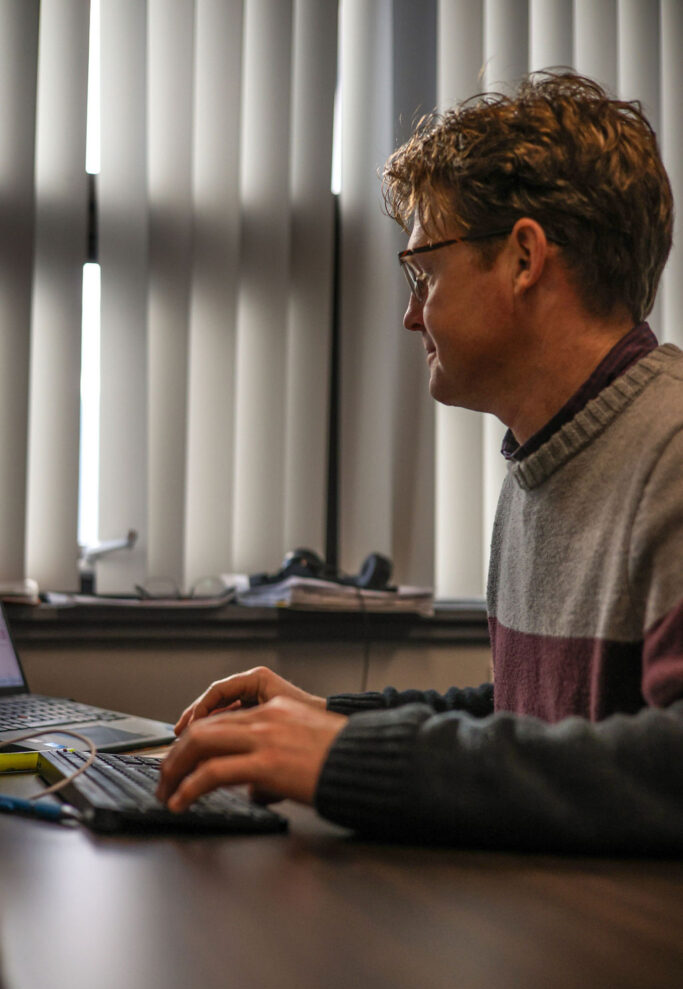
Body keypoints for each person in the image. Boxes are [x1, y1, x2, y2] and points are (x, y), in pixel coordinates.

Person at [157, 72, 683, 853]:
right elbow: (534, 720)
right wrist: (327, 725)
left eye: (423, 274)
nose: (410, 315)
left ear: (523, 257)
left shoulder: (670, 449)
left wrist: (344, 759)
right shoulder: (548, 461)